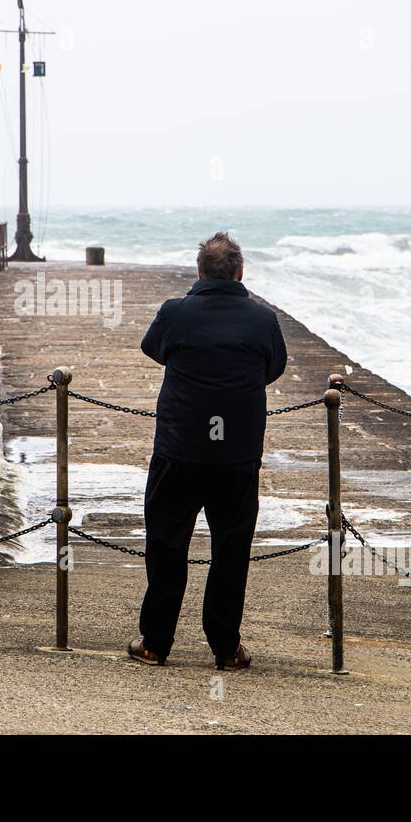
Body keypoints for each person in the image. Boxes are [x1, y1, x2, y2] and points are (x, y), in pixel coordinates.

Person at [127, 232, 288, 670]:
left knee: (165, 545)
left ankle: (155, 644)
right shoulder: (262, 319)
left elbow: (151, 347)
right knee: (231, 552)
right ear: (240, 273)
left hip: (179, 450)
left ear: (199, 271)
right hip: (236, 455)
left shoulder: (175, 312)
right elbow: (273, 368)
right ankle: (225, 648)